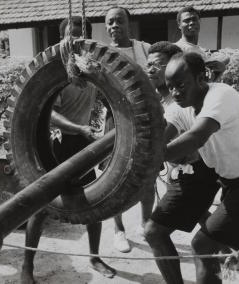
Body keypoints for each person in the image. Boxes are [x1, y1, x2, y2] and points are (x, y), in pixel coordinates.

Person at [20, 16, 116, 284]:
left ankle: (95, 257)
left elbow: (109, 98)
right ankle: (26, 266)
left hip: (82, 142)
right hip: (57, 142)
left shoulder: (89, 70)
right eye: (69, 34)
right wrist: (79, 127)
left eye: (79, 34)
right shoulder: (59, 73)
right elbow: (50, 115)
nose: (74, 39)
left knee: (93, 201)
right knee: (40, 206)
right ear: (62, 38)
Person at [163, 52, 239, 284]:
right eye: (170, 87)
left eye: (181, 85)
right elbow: (162, 133)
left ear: (202, 77)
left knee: (203, 243)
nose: (175, 93)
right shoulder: (182, 106)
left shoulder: (220, 94)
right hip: (231, 182)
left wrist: (153, 157)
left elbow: (197, 136)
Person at [144, 42, 224, 284]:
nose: (150, 70)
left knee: (154, 232)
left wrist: (151, 156)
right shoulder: (166, 99)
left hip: (198, 174)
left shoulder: (181, 101)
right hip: (191, 172)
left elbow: (181, 144)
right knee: (222, 233)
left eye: (157, 65)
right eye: (148, 65)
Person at [104, 6, 155, 253]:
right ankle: (118, 230)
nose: (115, 26)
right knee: (114, 177)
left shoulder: (144, 49)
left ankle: (146, 223)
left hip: (144, 120)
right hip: (115, 121)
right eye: (110, 22)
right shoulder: (101, 54)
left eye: (119, 21)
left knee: (147, 173)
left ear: (129, 24)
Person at [175, 6, 228, 81]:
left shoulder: (202, 51)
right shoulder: (177, 49)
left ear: (199, 22)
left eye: (194, 19)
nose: (192, 23)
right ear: (179, 25)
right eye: (186, 20)